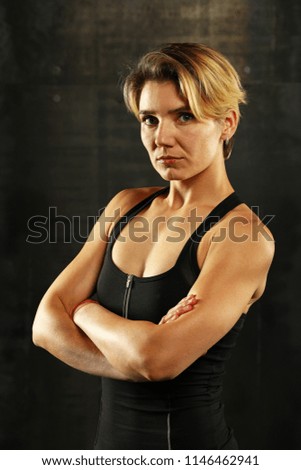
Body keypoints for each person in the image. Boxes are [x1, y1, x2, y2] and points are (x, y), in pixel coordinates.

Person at [32, 43, 274, 450]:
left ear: (227, 123)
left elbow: (157, 360)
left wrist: (84, 310)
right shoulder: (125, 206)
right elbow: (44, 325)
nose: (162, 138)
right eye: (149, 119)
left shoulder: (242, 237)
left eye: (184, 116)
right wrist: (139, 355)